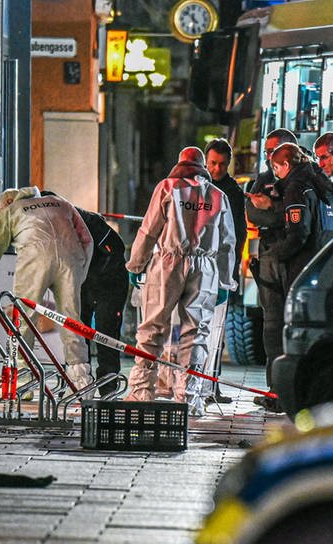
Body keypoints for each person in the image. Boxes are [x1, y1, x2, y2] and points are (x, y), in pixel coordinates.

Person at [0, 185, 93, 391]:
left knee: (23, 319)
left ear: (6, 203)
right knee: (71, 320)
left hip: (35, 260)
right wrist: (80, 272)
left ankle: (23, 383)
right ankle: (81, 382)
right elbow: (87, 239)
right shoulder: (60, 202)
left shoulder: (11, 211)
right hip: (70, 261)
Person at [125, 146, 236, 416]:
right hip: (205, 268)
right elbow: (227, 242)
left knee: (152, 327)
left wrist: (136, 264)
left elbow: (149, 228)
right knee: (195, 333)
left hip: (168, 264)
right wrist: (224, 281)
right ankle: (189, 397)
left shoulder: (168, 187)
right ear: (203, 166)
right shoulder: (218, 195)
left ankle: (142, 393)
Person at [247, 142, 333, 412]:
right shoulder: (317, 182)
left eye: (275, 166)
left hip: (295, 266)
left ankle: (280, 394)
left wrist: (276, 254)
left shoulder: (297, 186)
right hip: (314, 267)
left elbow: (298, 231)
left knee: (278, 329)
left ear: (285, 164)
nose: (274, 171)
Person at [204, 137, 247, 404]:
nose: (216, 169)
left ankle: (213, 385)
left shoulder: (232, 192)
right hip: (195, 267)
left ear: (228, 163)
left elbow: (239, 233)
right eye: (212, 163)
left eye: (221, 164)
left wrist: (230, 271)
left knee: (216, 329)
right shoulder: (196, 186)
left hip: (219, 267)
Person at [71, 202, 130, 383]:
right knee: (79, 334)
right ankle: (81, 383)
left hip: (110, 281)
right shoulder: (54, 222)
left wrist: (94, 275)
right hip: (84, 279)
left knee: (106, 332)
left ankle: (108, 385)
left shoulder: (89, 222)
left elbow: (117, 248)